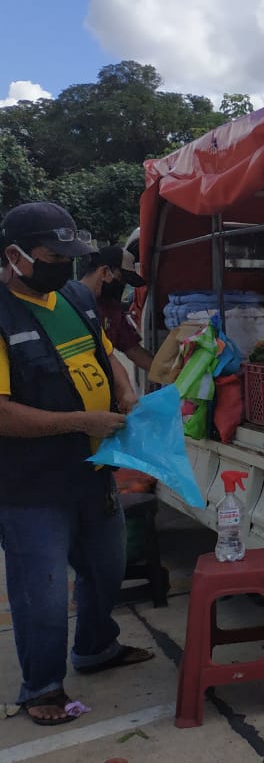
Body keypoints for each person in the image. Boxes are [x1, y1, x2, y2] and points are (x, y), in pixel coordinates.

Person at [0, 203, 154, 726]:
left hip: (93, 472)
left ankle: (95, 648)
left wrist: (125, 391)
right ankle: (42, 688)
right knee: (42, 593)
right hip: (32, 485)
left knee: (106, 569)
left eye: (69, 256)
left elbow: (107, 353)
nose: (63, 266)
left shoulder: (74, 298)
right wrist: (82, 420)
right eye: (52, 256)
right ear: (15, 255)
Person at [80, 244, 154, 374]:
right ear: (104, 271)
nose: (122, 286)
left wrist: (173, 375)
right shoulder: (67, 301)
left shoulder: (112, 310)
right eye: (121, 279)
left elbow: (133, 350)